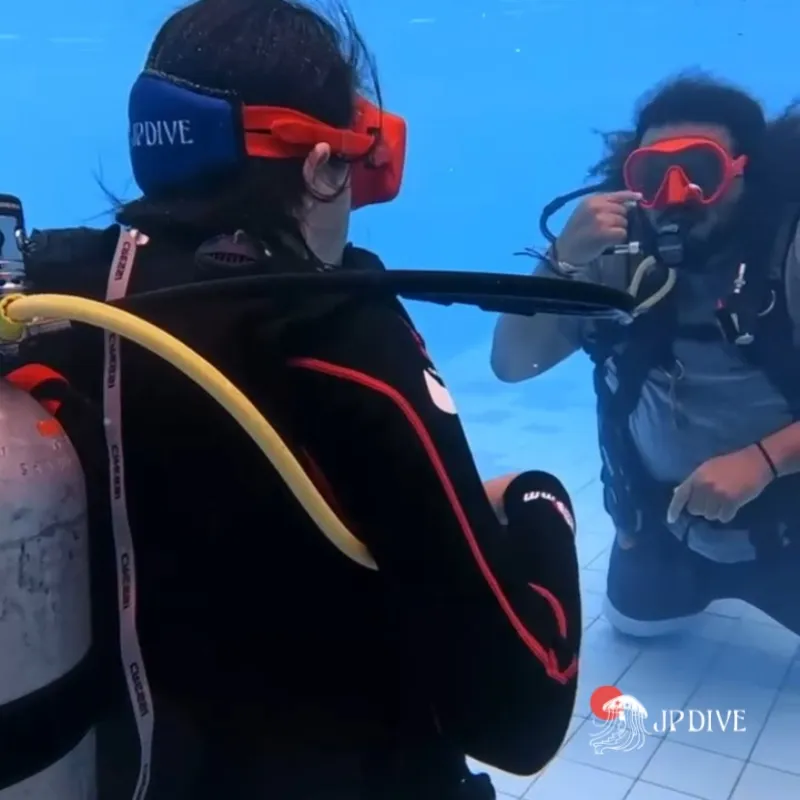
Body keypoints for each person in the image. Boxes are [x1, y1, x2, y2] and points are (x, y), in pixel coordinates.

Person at [13, 1, 581, 798]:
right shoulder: (337, 334)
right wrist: (539, 500)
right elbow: (522, 709)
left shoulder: (47, 297)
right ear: (321, 165)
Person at [492, 74, 800, 639]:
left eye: (701, 171)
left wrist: (764, 460)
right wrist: (561, 259)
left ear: (746, 173)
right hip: (662, 531)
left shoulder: (790, 254)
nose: (676, 195)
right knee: (635, 628)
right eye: (654, 176)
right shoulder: (616, 260)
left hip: (791, 527)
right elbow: (514, 365)